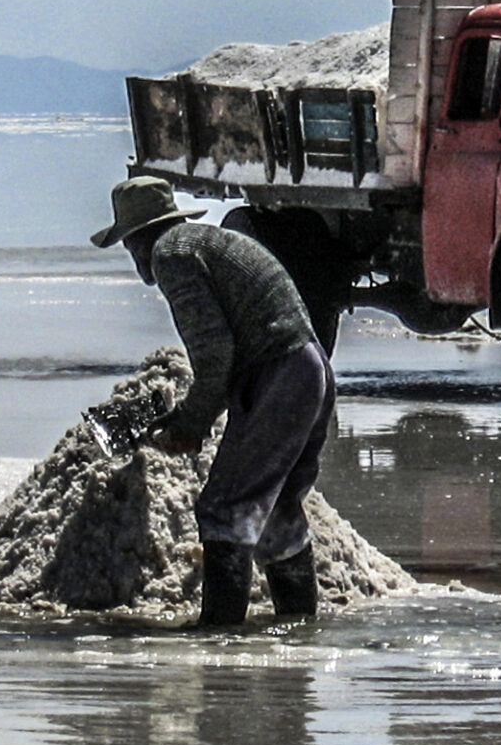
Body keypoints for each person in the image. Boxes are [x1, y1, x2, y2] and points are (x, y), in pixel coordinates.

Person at [92, 176, 336, 627]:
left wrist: (191, 423)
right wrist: (189, 415)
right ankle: (300, 631)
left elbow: (215, 353)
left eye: (128, 244)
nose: (134, 256)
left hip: (279, 373)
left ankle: (219, 636)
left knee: (224, 508)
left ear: (139, 238)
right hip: (309, 368)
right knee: (277, 509)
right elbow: (229, 354)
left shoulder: (172, 254)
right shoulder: (202, 243)